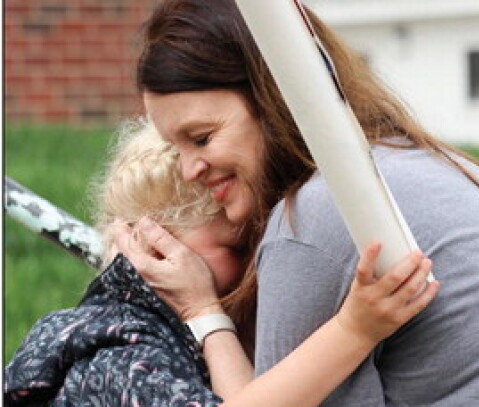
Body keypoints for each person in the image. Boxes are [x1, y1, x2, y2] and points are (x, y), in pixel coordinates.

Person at [125, 0, 479, 406]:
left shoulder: (316, 218)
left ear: (274, 102)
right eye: (175, 148)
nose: (188, 170)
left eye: (201, 138)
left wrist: (203, 311)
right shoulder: (418, 164)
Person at [4, 121, 437, 406]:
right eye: (236, 247)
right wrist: (354, 330)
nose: (257, 262)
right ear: (157, 250)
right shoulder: (122, 361)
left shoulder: (143, 328)